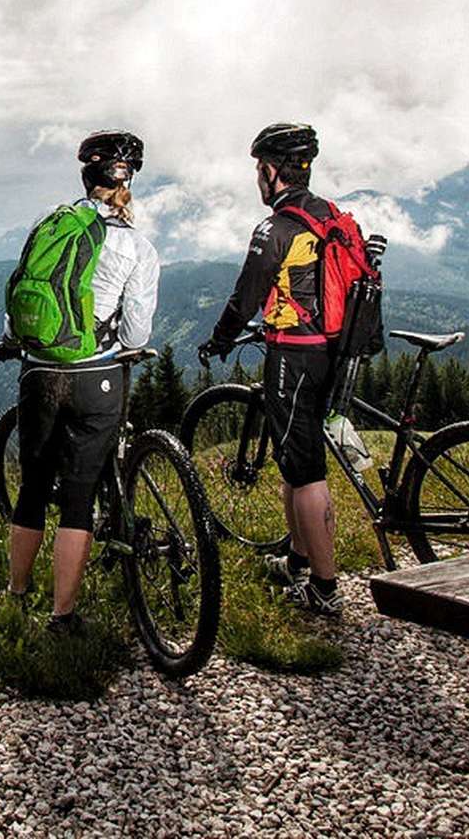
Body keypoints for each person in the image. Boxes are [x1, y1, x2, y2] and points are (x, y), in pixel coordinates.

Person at [0, 130, 160, 635]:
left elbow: (23, 301)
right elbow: (137, 330)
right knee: (78, 496)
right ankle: (62, 616)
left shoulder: (49, 226)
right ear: (128, 180)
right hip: (97, 377)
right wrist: (123, 345)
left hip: (40, 373)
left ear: (85, 176)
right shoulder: (135, 245)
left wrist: (15, 342)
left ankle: (16, 596)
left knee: (31, 489)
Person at [198, 122, 354, 616]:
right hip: (332, 351)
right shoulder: (328, 215)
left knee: (307, 471)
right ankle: (297, 559)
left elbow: (246, 294)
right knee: (295, 453)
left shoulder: (276, 228)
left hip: (294, 353)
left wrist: (220, 339)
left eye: (257, 170)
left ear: (270, 171)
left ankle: (325, 590)